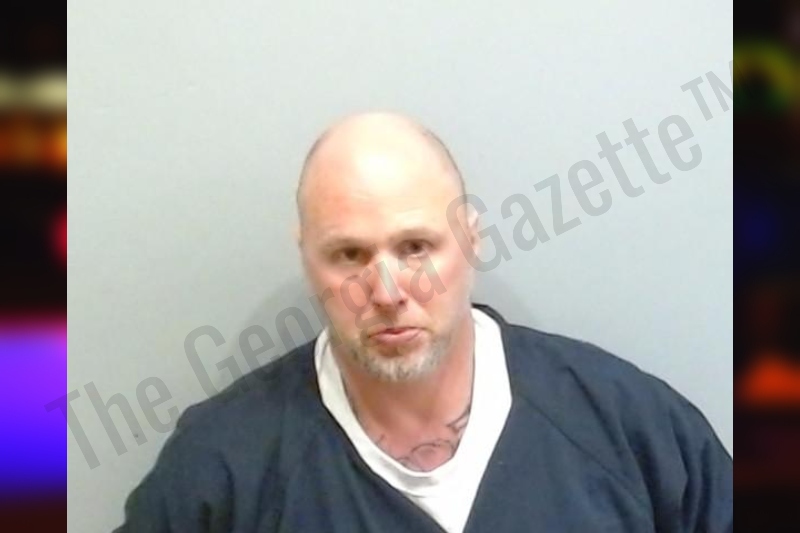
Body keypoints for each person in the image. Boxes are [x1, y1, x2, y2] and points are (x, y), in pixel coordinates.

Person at [115, 112, 732, 532]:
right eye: (349, 255)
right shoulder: (222, 467)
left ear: (472, 239)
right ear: (307, 260)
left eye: (416, 247)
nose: (387, 293)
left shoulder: (631, 429)